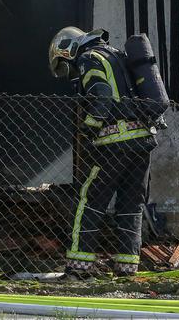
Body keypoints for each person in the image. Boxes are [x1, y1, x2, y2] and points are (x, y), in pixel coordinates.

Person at [49, 26, 158, 277]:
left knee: (89, 203)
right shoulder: (116, 54)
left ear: (68, 48)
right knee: (131, 206)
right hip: (142, 141)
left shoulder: (89, 58)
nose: (71, 70)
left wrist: (89, 128)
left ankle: (78, 268)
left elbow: (102, 94)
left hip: (114, 142)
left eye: (66, 64)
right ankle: (127, 269)